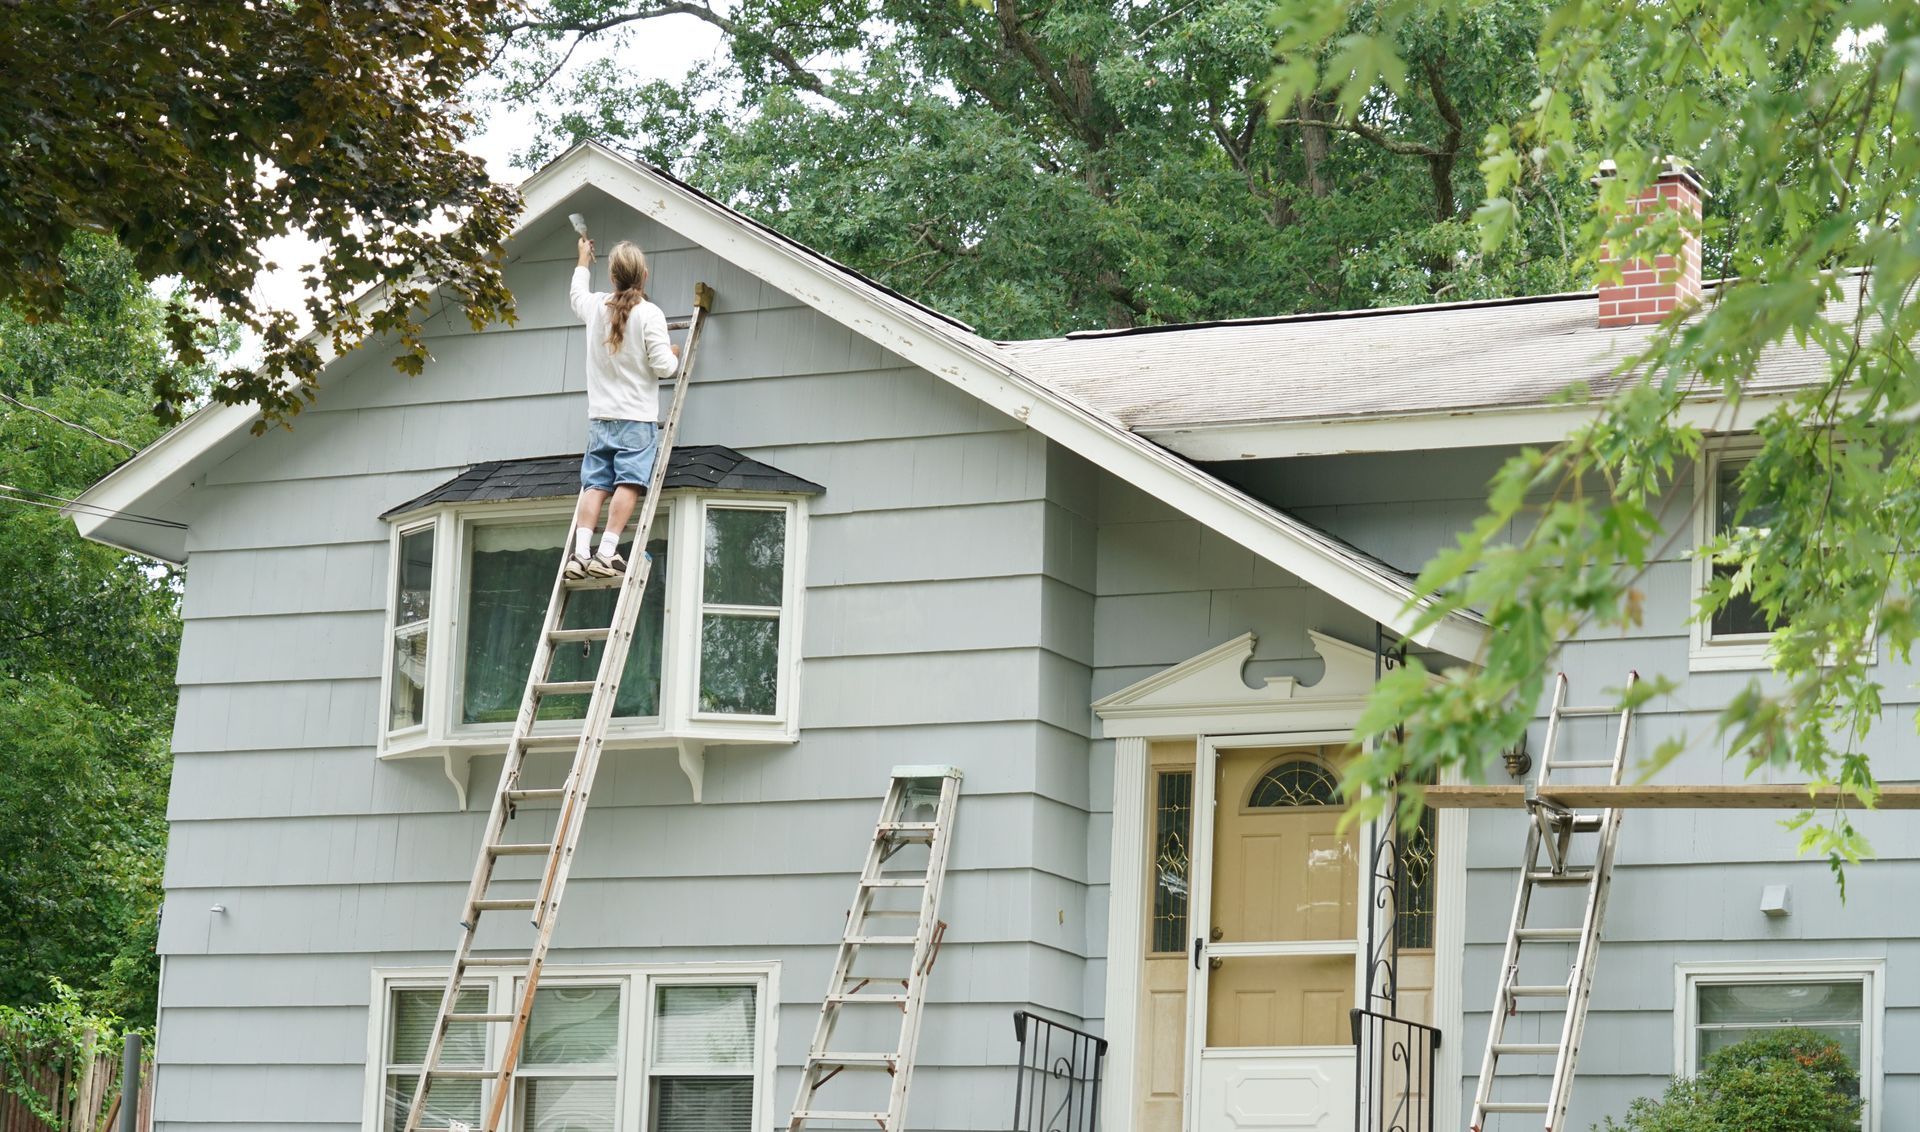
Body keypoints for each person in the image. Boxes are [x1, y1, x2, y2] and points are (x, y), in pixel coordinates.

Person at [565, 235, 680, 578]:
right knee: (628, 483)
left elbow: (576, 297)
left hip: (600, 419)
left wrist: (583, 260)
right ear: (644, 276)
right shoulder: (649, 314)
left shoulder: (597, 307)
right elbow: (664, 368)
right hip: (635, 421)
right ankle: (607, 552)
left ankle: (580, 554)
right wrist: (674, 354)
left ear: (613, 278)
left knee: (595, 485)